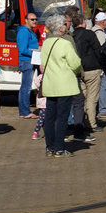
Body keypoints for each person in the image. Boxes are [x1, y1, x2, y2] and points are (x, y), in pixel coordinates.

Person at [39, 13, 82, 158]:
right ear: (60, 28)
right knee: (62, 118)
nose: (65, 26)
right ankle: (59, 148)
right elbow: (75, 63)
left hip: (50, 83)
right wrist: (74, 71)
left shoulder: (46, 43)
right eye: (64, 24)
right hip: (64, 84)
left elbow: (44, 64)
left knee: (50, 117)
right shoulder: (65, 43)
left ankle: (49, 147)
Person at [70, 11, 103, 141]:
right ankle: (91, 123)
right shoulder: (89, 34)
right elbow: (98, 50)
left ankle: (81, 121)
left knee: (81, 98)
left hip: (78, 70)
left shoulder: (71, 36)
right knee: (92, 97)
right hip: (92, 68)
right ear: (84, 22)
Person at [17, 11, 39, 119]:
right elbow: (22, 49)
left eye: (35, 19)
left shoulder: (30, 31)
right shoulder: (24, 32)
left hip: (30, 61)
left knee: (25, 87)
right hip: (26, 61)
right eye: (32, 19)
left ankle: (23, 111)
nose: (35, 21)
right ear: (26, 20)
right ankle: (25, 112)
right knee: (26, 88)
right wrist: (36, 53)